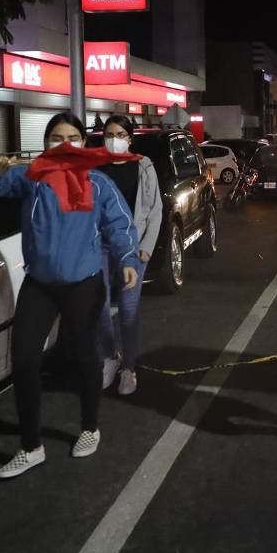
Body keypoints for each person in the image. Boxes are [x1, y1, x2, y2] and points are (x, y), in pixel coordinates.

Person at [0, 112, 141, 480]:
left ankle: (90, 427)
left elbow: (120, 224)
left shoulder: (97, 182)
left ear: (83, 143)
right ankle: (31, 446)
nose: (65, 144)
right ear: (45, 143)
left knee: (84, 355)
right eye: (56, 138)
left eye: (72, 138)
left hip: (84, 283)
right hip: (40, 284)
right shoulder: (32, 177)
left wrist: (128, 258)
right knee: (24, 359)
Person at [96, 115, 164, 396]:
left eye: (121, 134)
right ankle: (110, 356)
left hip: (132, 248)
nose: (115, 139)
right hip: (100, 246)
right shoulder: (95, 167)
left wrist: (146, 247)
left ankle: (129, 369)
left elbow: (155, 209)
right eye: (110, 134)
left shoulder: (143, 165)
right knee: (99, 307)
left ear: (130, 138)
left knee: (128, 309)